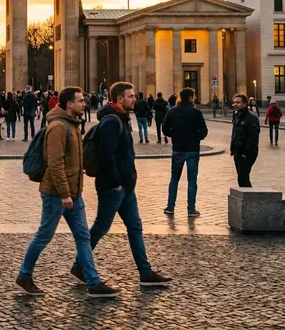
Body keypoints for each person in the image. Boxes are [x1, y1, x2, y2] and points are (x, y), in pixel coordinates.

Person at [17, 86, 119, 299]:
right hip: (57, 193)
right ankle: (24, 276)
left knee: (83, 236)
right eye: (80, 101)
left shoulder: (72, 124)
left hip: (73, 192)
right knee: (44, 235)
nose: (84, 104)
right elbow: (55, 164)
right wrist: (64, 194)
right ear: (69, 104)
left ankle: (93, 282)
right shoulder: (58, 127)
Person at [71, 82, 172, 288]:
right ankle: (79, 266)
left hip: (126, 186)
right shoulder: (111, 121)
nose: (135, 99)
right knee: (100, 228)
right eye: (131, 96)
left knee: (135, 226)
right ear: (119, 98)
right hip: (113, 187)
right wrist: (116, 183)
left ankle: (145, 272)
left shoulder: (122, 118)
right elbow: (106, 155)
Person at [162, 88, 208, 217]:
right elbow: (204, 131)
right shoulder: (196, 112)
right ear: (191, 97)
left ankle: (170, 207)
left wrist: (174, 135)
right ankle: (191, 209)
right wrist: (197, 137)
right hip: (193, 149)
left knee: (174, 179)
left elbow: (165, 129)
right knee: (192, 180)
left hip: (178, 148)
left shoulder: (172, 111)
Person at [231, 94, 260, 187]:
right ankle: (246, 195)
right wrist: (233, 148)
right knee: (241, 177)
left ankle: (249, 195)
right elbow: (235, 133)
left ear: (244, 103)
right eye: (234, 102)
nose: (235, 104)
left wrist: (246, 153)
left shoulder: (251, 117)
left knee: (243, 177)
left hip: (247, 152)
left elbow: (253, 137)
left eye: (238, 102)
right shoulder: (237, 116)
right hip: (237, 151)